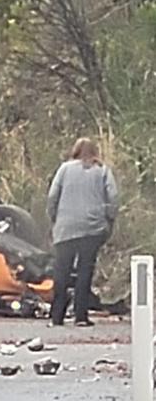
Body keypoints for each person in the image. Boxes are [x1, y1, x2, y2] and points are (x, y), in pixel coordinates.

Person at [47, 137, 119, 327]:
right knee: (85, 271)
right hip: (92, 228)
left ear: (75, 151)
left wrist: (55, 217)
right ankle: (81, 316)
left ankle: (57, 316)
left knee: (61, 272)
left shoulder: (64, 169)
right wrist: (108, 219)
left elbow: (53, 195)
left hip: (66, 227)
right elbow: (113, 197)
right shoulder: (102, 170)